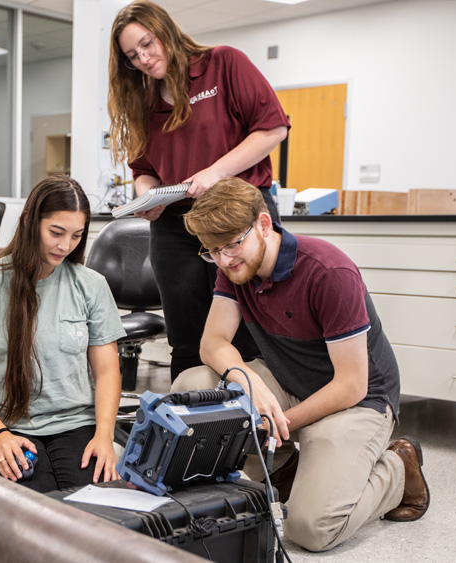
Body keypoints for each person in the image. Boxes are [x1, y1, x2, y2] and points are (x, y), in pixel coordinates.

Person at [173, 177, 430, 552]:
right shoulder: (233, 266)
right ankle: (286, 466)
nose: (225, 260)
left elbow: (352, 385)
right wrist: (250, 383)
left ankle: (398, 470)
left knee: (311, 529)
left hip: (357, 401)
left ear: (264, 224)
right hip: (287, 381)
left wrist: (280, 425)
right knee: (191, 384)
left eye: (231, 244)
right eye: (212, 251)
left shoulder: (329, 272)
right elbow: (212, 343)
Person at [108, 0, 291, 381]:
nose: (143, 58)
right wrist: (147, 197)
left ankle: (258, 425)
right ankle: (191, 430)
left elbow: (273, 128)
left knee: (249, 333)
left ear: (166, 32)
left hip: (237, 215)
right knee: (187, 337)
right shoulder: (143, 101)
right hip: (177, 227)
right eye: (132, 55)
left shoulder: (224, 64)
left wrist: (215, 173)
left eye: (147, 44)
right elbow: (143, 170)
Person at [0, 175, 125, 493]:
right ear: (29, 221)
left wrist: (104, 435)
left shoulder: (91, 285)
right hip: (5, 426)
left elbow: (108, 369)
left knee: (96, 514)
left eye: (76, 236)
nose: (65, 246)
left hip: (76, 423)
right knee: (39, 517)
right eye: (56, 233)